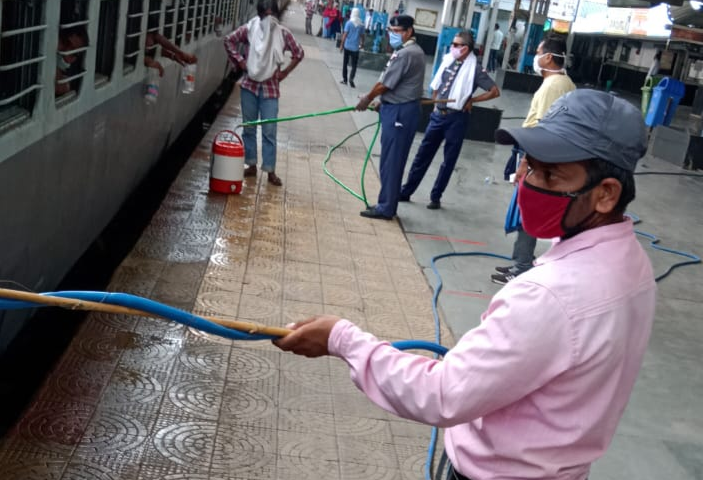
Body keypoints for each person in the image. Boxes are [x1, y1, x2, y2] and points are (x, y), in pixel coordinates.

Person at [274, 88, 655, 480]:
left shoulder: (550, 295)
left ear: (606, 194)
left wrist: (340, 339)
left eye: (550, 175)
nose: (525, 183)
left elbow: (442, 394)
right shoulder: (632, 265)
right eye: (529, 166)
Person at [492, 36, 576, 284]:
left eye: (539, 52)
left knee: (528, 210)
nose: (536, 57)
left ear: (549, 57)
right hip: (542, 156)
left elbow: (543, 130)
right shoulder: (562, 83)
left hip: (540, 157)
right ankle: (520, 261)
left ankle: (522, 265)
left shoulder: (554, 86)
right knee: (526, 209)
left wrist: (526, 163)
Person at [399, 31, 499, 210]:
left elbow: (494, 91)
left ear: (465, 48)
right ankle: (406, 191)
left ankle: (435, 197)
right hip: (439, 115)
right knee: (422, 155)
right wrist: (436, 105)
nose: (452, 47)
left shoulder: (474, 68)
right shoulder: (448, 60)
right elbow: (437, 85)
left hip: (457, 118)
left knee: (448, 160)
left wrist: (472, 100)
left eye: (455, 44)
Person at [223, 0, 304, 186]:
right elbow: (228, 40)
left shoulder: (283, 33)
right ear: (260, 15)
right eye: (265, 15)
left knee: (269, 131)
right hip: (249, 86)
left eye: (271, 14)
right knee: (249, 128)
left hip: (270, 89)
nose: (269, 19)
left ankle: (270, 170)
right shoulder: (250, 29)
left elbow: (299, 53)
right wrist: (241, 62)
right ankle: (250, 165)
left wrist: (284, 72)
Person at [354, 14, 425, 220]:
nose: (393, 35)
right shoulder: (409, 51)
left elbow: (386, 84)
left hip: (400, 112)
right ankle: (386, 202)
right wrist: (381, 102)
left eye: (397, 32)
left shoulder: (406, 54)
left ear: (409, 32)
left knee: (392, 162)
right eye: (391, 31)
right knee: (389, 160)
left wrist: (368, 98)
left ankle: (386, 208)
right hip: (397, 108)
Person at [55, 27, 88, 97]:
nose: (67, 51)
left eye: (74, 52)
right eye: (65, 42)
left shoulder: (75, 76)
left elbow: (60, 88)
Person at [340, 8, 366, 88]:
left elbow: (345, 34)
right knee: (354, 65)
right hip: (355, 48)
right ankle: (351, 78)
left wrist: (341, 45)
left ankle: (345, 80)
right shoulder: (361, 24)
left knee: (345, 63)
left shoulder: (349, 23)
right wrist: (362, 44)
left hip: (347, 46)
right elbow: (362, 36)